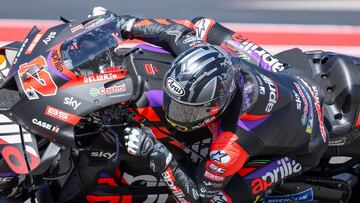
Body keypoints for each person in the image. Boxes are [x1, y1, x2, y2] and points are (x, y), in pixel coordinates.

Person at [90, 8, 329, 202]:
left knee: (219, 199)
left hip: (308, 143)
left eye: (188, 111)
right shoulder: (204, 55)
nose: (176, 114)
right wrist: (121, 23)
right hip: (294, 77)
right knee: (203, 26)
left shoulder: (231, 144)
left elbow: (199, 196)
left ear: (217, 105)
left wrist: (155, 152)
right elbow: (174, 33)